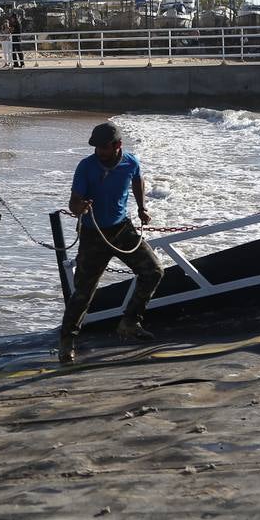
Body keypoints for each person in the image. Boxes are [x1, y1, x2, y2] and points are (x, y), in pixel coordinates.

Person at [57, 121, 164, 364]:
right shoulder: (85, 167)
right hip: (93, 233)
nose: (99, 152)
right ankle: (67, 340)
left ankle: (130, 322)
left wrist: (141, 206)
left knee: (154, 271)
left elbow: (137, 179)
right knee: (83, 292)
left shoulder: (130, 162)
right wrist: (79, 208)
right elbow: (73, 203)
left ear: (118, 145)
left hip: (122, 229)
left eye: (104, 147)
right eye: (96, 147)